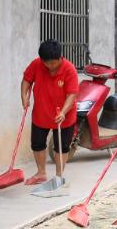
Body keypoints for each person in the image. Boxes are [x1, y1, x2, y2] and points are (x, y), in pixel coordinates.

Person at [21, 39, 78, 185]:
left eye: (53, 63)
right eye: (46, 63)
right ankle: (41, 173)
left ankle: (59, 176)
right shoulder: (36, 64)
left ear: (60, 58)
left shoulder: (69, 69)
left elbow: (72, 94)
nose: (50, 66)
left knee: (61, 147)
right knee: (37, 144)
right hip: (41, 113)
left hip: (64, 116)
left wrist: (64, 112)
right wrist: (24, 96)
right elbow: (26, 80)